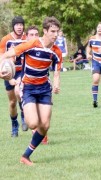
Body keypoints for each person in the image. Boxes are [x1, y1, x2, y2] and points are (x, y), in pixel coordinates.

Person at [0, 16, 62, 166]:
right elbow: (7, 54)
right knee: (33, 124)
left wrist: (56, 84)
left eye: (57, 32)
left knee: (45, 125)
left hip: (44, 89)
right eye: (52, 31)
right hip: (28, 87)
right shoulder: (32, 44)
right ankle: (25, 114)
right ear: (45, 31)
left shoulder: (56, 52)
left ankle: (26, 156)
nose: (55, 35)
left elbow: (57, 73)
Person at [0, 16, 27, 136]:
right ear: (13, 26)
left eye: (21, 24)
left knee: (18, 91)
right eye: (17, 25)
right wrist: (9, 78)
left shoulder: (27, 38)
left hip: (23, 71)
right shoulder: (5, 40)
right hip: (9, 72)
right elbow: (1, 58)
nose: (19, 27)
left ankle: (23, 115)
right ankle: (14, 124)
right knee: (12, 102)